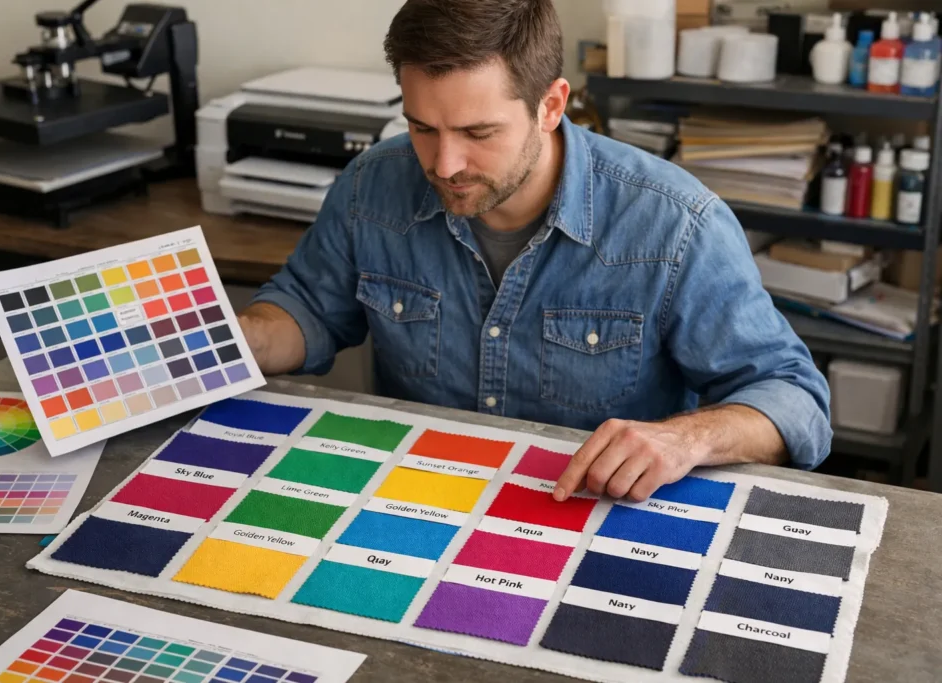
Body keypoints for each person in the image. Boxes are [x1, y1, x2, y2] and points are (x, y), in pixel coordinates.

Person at [237, 0, 832, 503]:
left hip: (590, 518)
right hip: (420, 500)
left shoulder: (674, 224)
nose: (443, 166)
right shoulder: (371, 186)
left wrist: (688, 439)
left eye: (478, 133)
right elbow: (309, 311)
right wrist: (240, 335)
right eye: (421, 127)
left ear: (551, 106)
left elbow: (794, 397)